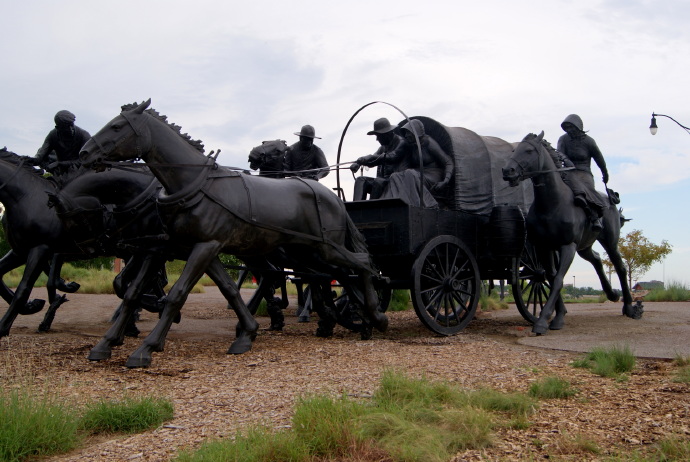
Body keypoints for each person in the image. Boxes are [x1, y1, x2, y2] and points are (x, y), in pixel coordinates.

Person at [366, 119, 454, 208]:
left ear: (416, 133)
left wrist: (445, 181)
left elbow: (448, 161)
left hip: (433, 175)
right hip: (418, 174)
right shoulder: (409, 145)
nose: (406, 135)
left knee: (409, 173)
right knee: (395, 176)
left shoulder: (428, 142)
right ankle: (387, 201)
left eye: (408, 133)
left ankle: (427, 204)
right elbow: (385, 156)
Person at [556, 114, 610, 231]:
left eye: (571, 127)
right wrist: (566, 160)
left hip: (584, 172)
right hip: (568, 171)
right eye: (567, 128)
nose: (569, 130)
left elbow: (599, 159)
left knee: (587, 189)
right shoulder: (563, 139)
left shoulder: (589, 142)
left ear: (578, 127)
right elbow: (559, 153)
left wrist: (605, 173)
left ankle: (594, 216)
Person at [349, 118, 404, 200]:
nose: (377, 139)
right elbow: (373, 161)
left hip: (397, 182)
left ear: (387, 134)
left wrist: (366, 158)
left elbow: (392, 157)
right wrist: (359, 163)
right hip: (383, 181)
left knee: (378, 182)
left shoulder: (401, 143)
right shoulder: (383, 147)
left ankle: (373, 209)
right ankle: (356, 209)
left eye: (378, 136)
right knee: (361, 180)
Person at [33, 110, 91, 176]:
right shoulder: (52, 136)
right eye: (66, 127)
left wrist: (60, 163)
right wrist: (26, 160)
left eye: (71, 125)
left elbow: (86, 161)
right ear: (58, 128)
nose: (71, 129)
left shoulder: (84, 135)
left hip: (83, 174)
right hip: (62, 175)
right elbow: (40, 157)